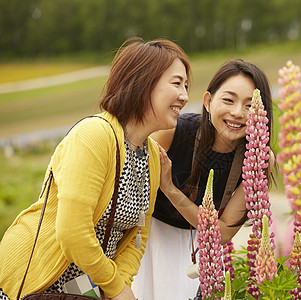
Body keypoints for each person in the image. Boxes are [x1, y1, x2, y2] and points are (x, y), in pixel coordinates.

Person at [0, 37, 190, 300]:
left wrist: (119, 287)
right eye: (177, 83)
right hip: (35, 281)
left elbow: (138, 236)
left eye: (186, 85)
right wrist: (115, 286)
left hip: (86, 289)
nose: (185, 96)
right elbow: (73, 232)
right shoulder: (94, 135)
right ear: (144, 82)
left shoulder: (152, 157)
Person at [132, 59, 274, 300]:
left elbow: (224, 231)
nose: (238, 113)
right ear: (208, 101)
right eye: (228, 100)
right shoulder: (172, 132)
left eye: (250, 106)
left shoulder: (258, 155)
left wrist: (170, 189)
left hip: (201, 247)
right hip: (147, 236)